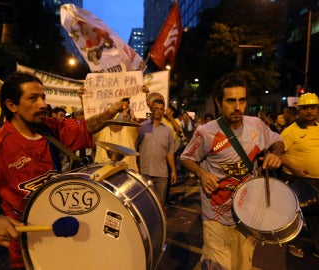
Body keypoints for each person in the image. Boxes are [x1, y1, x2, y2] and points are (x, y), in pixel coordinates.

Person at [0, 72, 124, 269]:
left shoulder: (51, 128)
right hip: (27, 250)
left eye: (43, 97)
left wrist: (111, 111)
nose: (43, 104)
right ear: (12, 106)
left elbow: (84, 129)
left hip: (65, 235)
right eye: (33, 98)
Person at [180, 72, 283, 270]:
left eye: (242, 100)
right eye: (231, 101)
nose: (238, 107)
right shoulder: (206, 132)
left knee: (242, 264)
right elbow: (185, 158)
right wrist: (202, 173)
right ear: (219, 102)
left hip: (247, 212)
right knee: (218, 265)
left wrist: (275, 154)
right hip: (215, 213)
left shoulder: (257, 126)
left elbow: (278, 141)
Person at [280, 93, 319, 259]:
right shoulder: (290, 131)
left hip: (316, 182)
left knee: (315, 216)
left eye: (313, 107)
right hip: (298, 180)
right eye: (305, 108)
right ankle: (294, 243)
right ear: (299, 110)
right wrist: (295, 168)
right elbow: (278, 154)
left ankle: (317, 246)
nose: (309, 111)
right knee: (296, 215)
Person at [135, 98, 177, 204]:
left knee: (159, 204)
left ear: (164, 111)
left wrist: (173, 170)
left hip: (161, 174)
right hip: (145, 172)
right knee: (144, 203)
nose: (158, 111)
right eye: (156, 108)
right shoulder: (142, 127)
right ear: (151, 109)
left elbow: (170, 152)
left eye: (161, 109)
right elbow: (135, 148)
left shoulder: (168, 131)